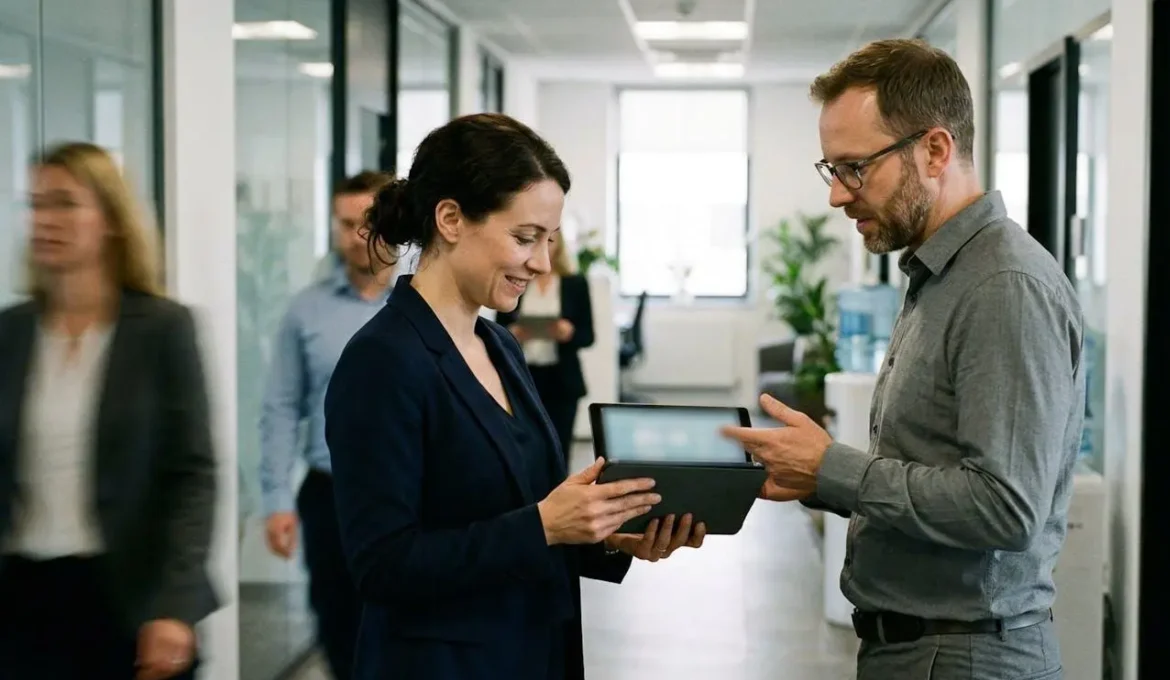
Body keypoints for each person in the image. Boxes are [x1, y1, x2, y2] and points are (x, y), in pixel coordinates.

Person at [722, 40, 1084, 679]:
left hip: (966, 656)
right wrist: (819, 479)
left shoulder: (1002, 286)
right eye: (830, 169)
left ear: (935, 151)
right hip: (922, 650)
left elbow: (1005, 506)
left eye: (855, 168)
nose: (838, 195)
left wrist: (836, 469)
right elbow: (936, 469)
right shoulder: (940, 275)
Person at [323, 113, 706, 680]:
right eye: (525, 238)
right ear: (450, 218)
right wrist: (546, 526)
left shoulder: (499, 343)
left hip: (533, 648)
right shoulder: (382, 360)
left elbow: (520, 508)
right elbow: (383, 565)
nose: (543, 262)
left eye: (548, 240)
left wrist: (604, 535)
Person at [0, 141, 218, 679]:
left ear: (112, 219)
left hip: (129, 599)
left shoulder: (164, 329)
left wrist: (175, 603)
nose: (45, 219)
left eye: (65, 203)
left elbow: (192, 475)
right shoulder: (11, 332)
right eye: (36, 204)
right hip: (20, 597)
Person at [258, 170, 395, 679]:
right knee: (339, 628)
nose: (356, 236)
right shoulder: (306, 310)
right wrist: (275, 500)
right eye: (344, 224)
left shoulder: (424, 305)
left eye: (367, 223)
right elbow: (279, 405)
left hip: (409, 498)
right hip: (329, 497)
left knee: (405, 629)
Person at [495, 235, 595, 460]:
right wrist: (513, 333)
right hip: (525, 376)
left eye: (550, 240)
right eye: (536, 239)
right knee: (527, 448)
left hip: (562, 379)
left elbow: (588, 335)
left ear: (560, 244)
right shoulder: (515, 279)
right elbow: (497, 328)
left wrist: (568, 333)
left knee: (560, 448)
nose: (544, 246)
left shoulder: (574, 283)